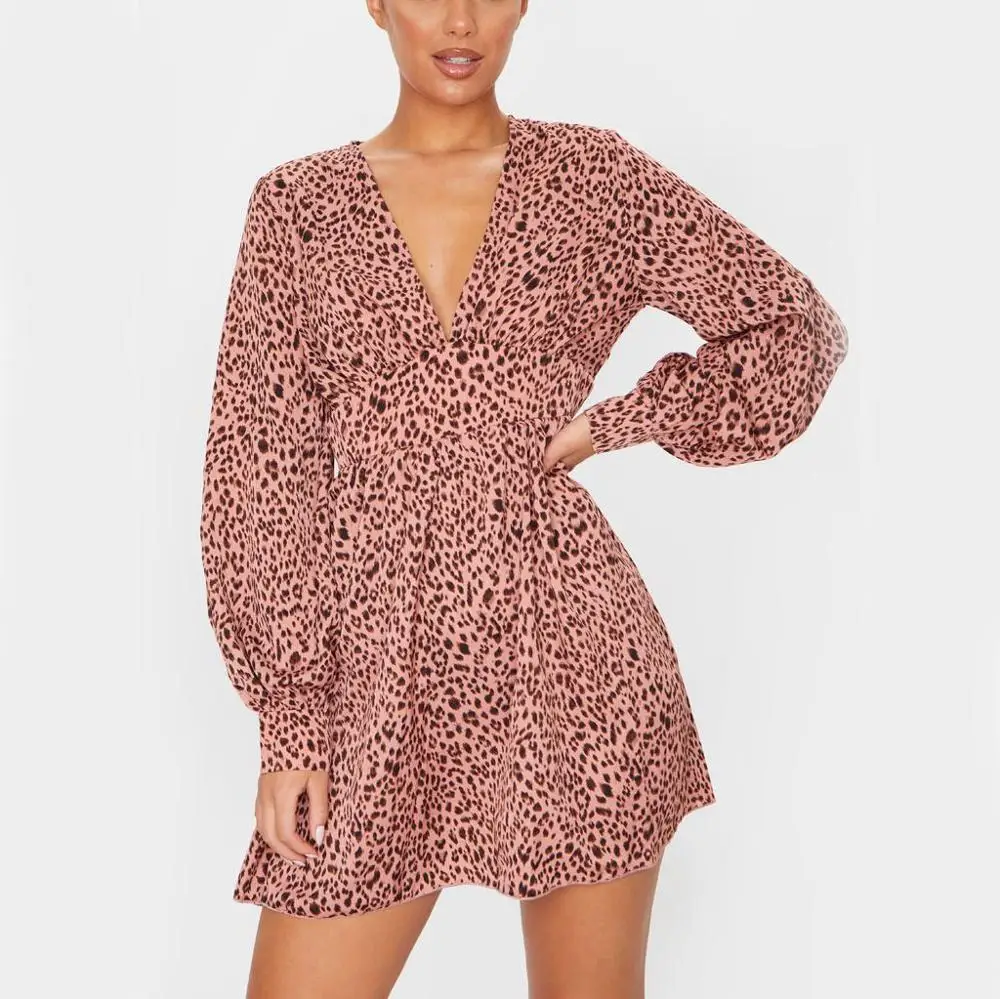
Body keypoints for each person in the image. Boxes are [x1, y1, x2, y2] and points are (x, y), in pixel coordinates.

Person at [199, 1, 848, 995]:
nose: (460, 19)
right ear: (375, 3)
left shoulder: (594, 178)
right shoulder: (299, 207)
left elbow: (794, 327)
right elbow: (259, 471)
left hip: (575, 670)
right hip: (375, 678)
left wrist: (617, 421)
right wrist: (292, 721)